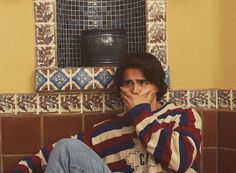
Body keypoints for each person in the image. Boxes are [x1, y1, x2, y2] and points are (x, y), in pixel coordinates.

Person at [11, 52, 202, 173]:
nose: (135, 90)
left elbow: (181, 160)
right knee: (66, 147)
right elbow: (61, 152)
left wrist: (140, 113)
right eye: (128, 83)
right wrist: (23, 168)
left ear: (157, 86)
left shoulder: (183, 115)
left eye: (143, 82)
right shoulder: (111, 129)